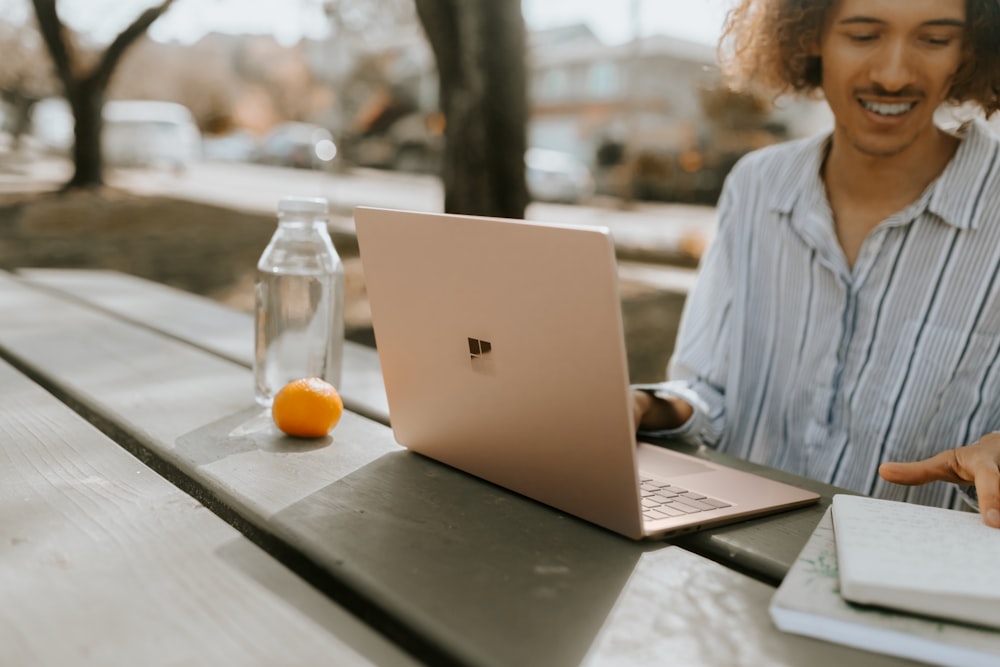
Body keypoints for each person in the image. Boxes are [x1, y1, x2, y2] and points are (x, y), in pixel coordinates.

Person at [631, 0, 1000, 528]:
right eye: (864, 35)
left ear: (970, 48)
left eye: (934, 40)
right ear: (809, 36)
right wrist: (645, 407)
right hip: (733, 561)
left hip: (912, 590)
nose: (894, 75)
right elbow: (707, 390)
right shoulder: (756, 185)